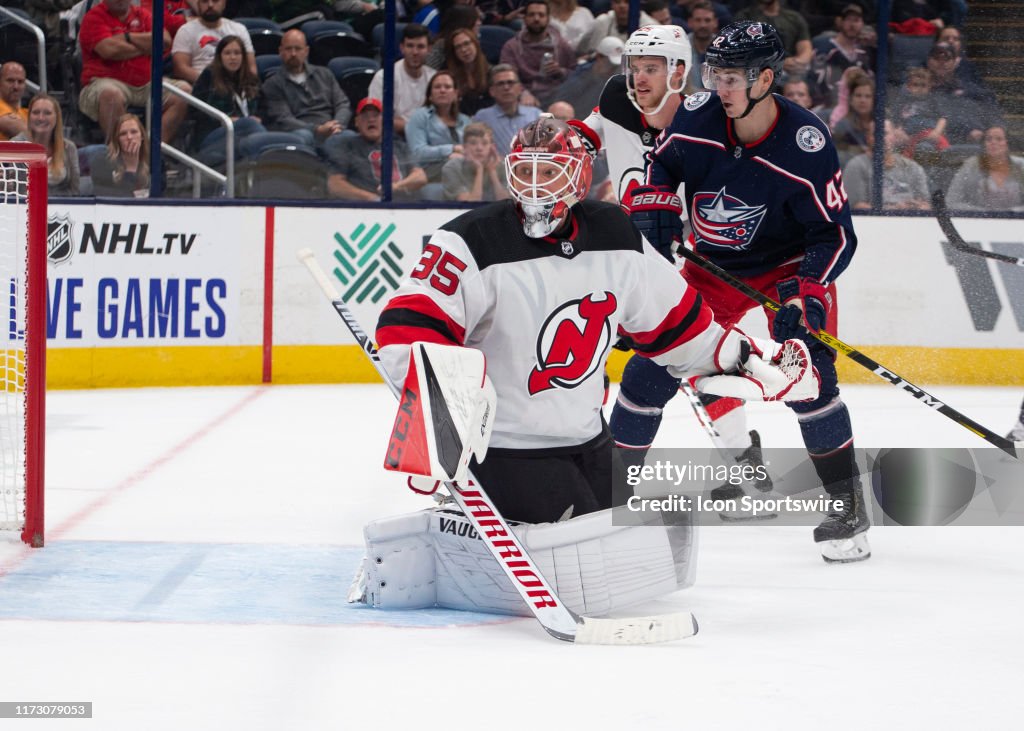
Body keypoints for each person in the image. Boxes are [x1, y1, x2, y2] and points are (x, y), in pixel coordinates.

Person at [373, 116, 818, 525]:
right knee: (580, 551)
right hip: (505, 449)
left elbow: (678, 325)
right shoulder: (469, 240)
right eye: (525, 172)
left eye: (548, 172)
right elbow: (405, 331)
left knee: (625, 552)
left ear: (578, 176)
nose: (534, 186)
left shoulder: (616, 234)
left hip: (590, 440)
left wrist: (747, 359)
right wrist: (438, 428)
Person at [614, 21, 870, 562]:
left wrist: (806, 294)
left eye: (732, 77)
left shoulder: (807, 142)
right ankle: (605, 496)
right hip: (712, 266)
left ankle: (848, 508)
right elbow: (662, 164)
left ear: (766, 79)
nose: (719, 87)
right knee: (649, 371)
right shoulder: (695, 117)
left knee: (813, 382)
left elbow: (836, 234)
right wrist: (656, 200)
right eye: (716, 74)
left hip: (790, 268)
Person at [570, 25, 690, 205]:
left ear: (677, 73)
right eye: (635, 69)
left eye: (650, 69)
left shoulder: (701, 121)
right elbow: (573, 145)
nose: (639, 79)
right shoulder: (618, 103)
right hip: (628, 230)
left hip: (690, 230)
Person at [77, 0, 191, 142]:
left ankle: (151, 150)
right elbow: (109, 51)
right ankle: (121, 155)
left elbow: (165, 40)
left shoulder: (143, 14)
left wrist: (127, 37)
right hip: (103, 81)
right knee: (111, 94)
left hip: (146, 83)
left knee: (184, 91)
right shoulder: (93, 17)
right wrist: (146, 47)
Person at [261, 29, 352, 159]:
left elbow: (342, 104)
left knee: (350, 137)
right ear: (280, 52)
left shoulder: (325, 74)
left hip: (332, 128)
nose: (293, 54)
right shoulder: (272, 84)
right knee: (302, 137)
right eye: (288, 49)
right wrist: (317, 129)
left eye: (298, 49)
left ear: (306, 51)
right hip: (302, 131)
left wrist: (337, 125)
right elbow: (284, 119)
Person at [326, 98, 428, 201]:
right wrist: (371, 198)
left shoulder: (400, 146)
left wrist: (395, 187)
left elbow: (420, 177)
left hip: (405, 207)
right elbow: (335, 184)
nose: (371, 120)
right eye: (365, 116)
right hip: (367, 210)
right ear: (357, 122)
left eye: (376, 115)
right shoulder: (347, 146)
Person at [190, 35, 268, 167]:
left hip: (246, 133)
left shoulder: (251, 79)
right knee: (248, 124)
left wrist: (260, 118)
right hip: (213, 135)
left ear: (243, 56)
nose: (233, 57)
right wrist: (225, 119)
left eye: (237, 53)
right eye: (227, 53)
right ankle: (267, 162)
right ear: (219, 56)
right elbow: (195, 111)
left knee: (250, 128)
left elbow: (265, 108)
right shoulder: (209, 76)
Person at [499, 0, 576, 107]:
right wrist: (523, 93)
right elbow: (506, 76)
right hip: (524, 99)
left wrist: (560, 71)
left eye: (541, 15)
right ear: (524, 18)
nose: (536, 19)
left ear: (548, 19)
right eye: (531, 15)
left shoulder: (562, 45)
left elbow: (576, 74)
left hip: (557, 96)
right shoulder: (511, 47)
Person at [405, 71, 471, 195]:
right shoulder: (420, 116)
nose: (442, 90)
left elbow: (473, 151)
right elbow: (418, 153)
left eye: (447, 87)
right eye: (437, 87)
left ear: (456, 93)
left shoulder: (466, 121)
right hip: (432, 175)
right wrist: (451, 150)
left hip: (465, 173)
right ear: (430, 95)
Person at [843, 119, 931, 210]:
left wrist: (916, 207)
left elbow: (926, 205)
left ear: (894, 136)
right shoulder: (856, 166)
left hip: (912, 221)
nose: (880, 137)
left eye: (885, 133)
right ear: (868, 138)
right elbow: (855, 207)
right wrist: (895, 209)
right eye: (875, 134)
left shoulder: (912, 167)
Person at [368, 24, 435, 136]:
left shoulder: (434, 78)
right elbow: (376, 119)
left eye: (420, 47)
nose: (415, 52)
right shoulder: (383, 78)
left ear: (429, 49)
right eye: (410, 46)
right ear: (401, 48)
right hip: (392, 139)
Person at [170, 0, 256, 84]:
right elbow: (180, 69)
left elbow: (251, 67)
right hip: (201, 87)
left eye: (215, 1)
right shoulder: (185, 31)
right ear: (198, 4)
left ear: (224, 3)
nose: (210, 5)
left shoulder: (239, 29)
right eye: (204, 1)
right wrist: (213, 83)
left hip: (235, 85)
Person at [10, 94, 80, 196]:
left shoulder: (69, 147)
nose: (41, 118)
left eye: (47, 113)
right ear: (29, 117)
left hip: (61, 208)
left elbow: (75, 190)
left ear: (57, 117)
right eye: (35, 113)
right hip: (24, 208)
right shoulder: (15, 146)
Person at [809, 3, 873, 110]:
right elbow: (814, 81)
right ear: (840, 22)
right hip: (825, 107)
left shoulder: (863, 53)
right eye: (848, 19)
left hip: (855, 109)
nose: (852, 25)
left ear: (862, 24)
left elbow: (869, 84)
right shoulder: (824, 47)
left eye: (856, 20)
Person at [946, 125, 1024, 212]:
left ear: (1007, 143)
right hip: (978, 221)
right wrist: (983, 213)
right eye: (989, 139)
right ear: (984, 144)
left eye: (999, 139)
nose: (993, 142)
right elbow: (951, 201)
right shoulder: (971, 165)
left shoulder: (1021, 165)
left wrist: (1012, 213)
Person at [472, 65, 541, 157]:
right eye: (500, 84)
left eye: (510, 82)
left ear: (520, 88)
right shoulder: (482, 118)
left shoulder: (535, 114)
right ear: (492, 91)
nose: (506, 88)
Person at [550, 36, 623, 117]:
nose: (613, 70)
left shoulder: (617, 81)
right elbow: (558, 105)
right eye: (610, 65)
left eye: (616, 66)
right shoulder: (578, 79)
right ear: (599, 57)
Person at [737, 0, 812, 79]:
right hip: (758, 72)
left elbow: (805, 47)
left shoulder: (794, 18)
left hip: (791, 72)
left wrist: (799, 62)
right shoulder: (744, 17)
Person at [889, 67, 948, 159]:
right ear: (908, 86)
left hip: (928, 132)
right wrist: (898, 130)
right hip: (908, 134)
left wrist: (937, 132)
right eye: (915, 85)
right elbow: (895, 118)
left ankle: (947, 160)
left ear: (929, 87)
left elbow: (943, 118)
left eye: (923, 85)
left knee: (942, 142)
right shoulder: (903, 100)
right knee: (898, 145)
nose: (919, 88)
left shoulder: (932, 100)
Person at [441, 121, 509, 201]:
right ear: (464, 147)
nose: (479, 148)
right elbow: (469, 206)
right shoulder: (452, 168)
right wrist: (479, 170)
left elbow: (506, 203)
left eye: (484, 143)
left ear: (492, 147)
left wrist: (492, 172)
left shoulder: (504, 167)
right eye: (473, 143)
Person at [90, 113, 150, 197]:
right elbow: (122, 199)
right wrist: (131, 167)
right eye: (123, 134)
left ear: (142, 136)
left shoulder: (154, 160)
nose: (129, 137)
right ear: (116, 139)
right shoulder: (102, 161)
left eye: (134, 132)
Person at [579, 0, 656, 57]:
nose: (622, 6)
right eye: (617, 2)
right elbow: (590, 51)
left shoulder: (650, 27)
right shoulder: (602, 21)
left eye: (627, 2)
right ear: (611, 4)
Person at [830, 69, 873, 166]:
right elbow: (836, 157)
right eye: (858, 95)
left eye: (868, 96)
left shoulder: (882, 123)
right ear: (850, 99)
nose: (863, 100)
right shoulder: (843, 125)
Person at [445, 28, 492, 116]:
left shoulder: (492, 73)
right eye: (458, 47)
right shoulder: (450, 78)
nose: (464, 50)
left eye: (466, 43)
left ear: (476, 44)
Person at [685, 1, 718, 92]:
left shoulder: (724, 48)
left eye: (707, 20)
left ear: (715, 22)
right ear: (690, 22)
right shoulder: (681, 47)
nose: (703, 25)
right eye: (698, 20)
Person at [0, 62, 29, 142]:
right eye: (10, 81)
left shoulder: (27, 112)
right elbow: (32, 136)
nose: (16, 86)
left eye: (20, 82)